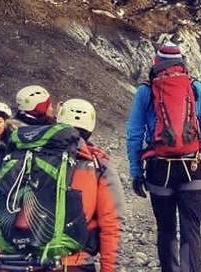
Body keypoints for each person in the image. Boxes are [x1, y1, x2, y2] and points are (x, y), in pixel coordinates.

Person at [127, 42, 201, 272]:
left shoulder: (146, 91)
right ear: (182, 62)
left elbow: (134, 134)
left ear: (156, 62)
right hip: (193, 166)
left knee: (166, 229)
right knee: (191, 230)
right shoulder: (196, 88)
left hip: (159, 169)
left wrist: (136, 172)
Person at [54, 98, 122, 272]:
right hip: (75, 262)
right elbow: (111, 223)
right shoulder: (98, 164)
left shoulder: (30, 153)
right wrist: (108, 268)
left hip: (24, 260)